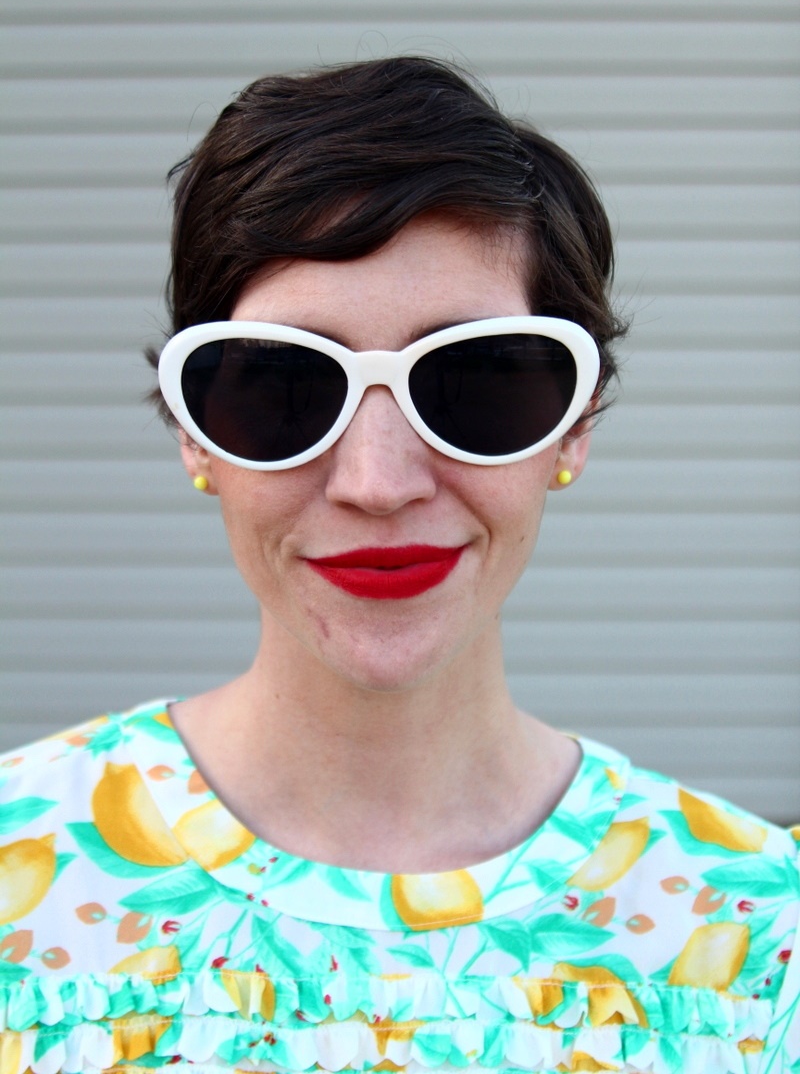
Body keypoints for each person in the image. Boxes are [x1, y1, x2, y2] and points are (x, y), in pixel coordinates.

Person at [0, 57, 797, 1074]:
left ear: (573, 426)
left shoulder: (758, 940)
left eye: (474, 380)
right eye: (286, 386)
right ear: (195, 432)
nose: (377, 483)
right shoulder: (19, 877)